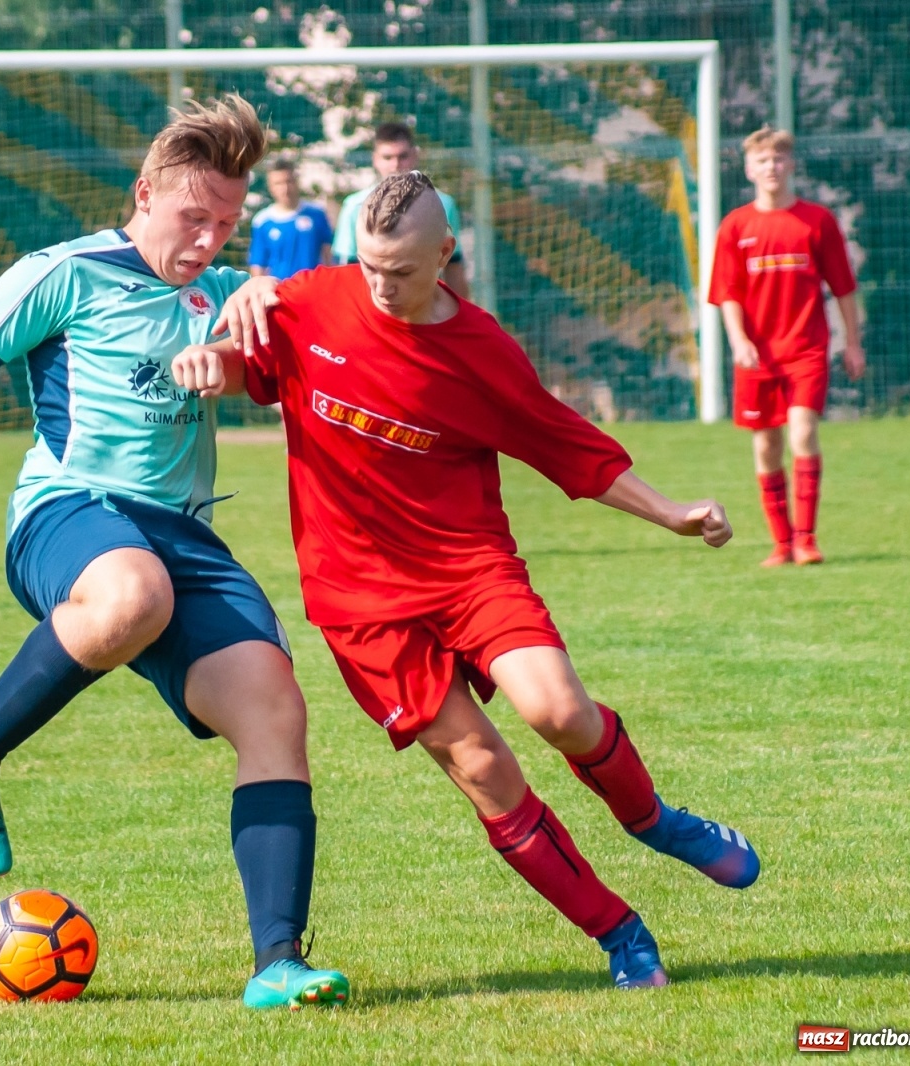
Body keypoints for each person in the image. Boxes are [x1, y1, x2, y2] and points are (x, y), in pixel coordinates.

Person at [172, 172, 761, 990]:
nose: (381, 286)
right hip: (360, 603)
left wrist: (670, 513)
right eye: (370, 266)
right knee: (485, 770)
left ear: (445, 255)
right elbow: (254, 370)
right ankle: (619, 932)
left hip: (470, 570)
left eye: (402, 271)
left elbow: (567, 444)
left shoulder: (482, 351)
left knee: (560, 711)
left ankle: (654, 819)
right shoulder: (312, 301)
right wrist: (213, 363)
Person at [0, 95, 348, 1011]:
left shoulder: (226, 291)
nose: (207, 239)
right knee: (130, 593)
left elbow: (269, 374)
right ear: (143, 195)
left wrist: (241, 342)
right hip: (68, 512)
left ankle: (277, 964)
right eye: (193, 217)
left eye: (226, 224)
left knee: (275, 709)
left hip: (183, 536)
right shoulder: (64, 272)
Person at [709, 125, 863, 567]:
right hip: (758, 355)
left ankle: (806, 538)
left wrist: (853, 343)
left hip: (807, 350)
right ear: (749, 169)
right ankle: (780, 544)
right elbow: (728, 292)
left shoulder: (817, 221)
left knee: (803, 433)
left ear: (791, 164)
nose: (771, 167)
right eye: (762, 161)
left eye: (779, 159)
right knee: (765, 448)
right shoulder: (736, 225)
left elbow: (844, 288)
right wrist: (738, 341)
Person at [332, 122, 470, 299]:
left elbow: (453, 266)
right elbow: (346, 269)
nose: (396, 165)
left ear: (415, 155)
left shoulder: (443, 204)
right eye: (387, 157)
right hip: (375, 307)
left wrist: (462, 319)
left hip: (424, 308)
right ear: (375, 159)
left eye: (402, 156)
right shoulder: (355, 206)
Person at [248, 160, 333, 280]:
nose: (285, 188)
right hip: (280, 292)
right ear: (270, 187)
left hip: (313, 290)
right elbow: (258, 265)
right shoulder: (262, 221)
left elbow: (327, 255)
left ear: (297, 182)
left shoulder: (317, 214)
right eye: (278, 183)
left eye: (289, 181)